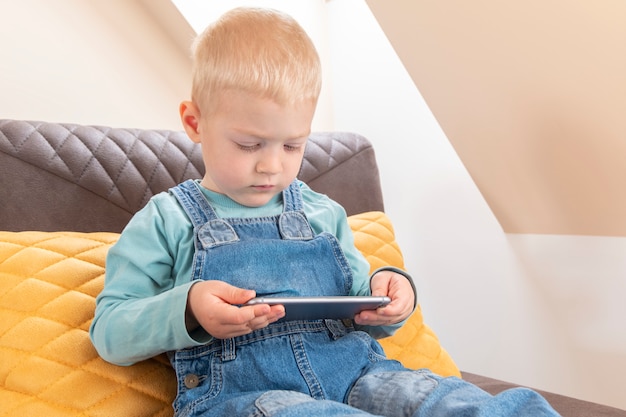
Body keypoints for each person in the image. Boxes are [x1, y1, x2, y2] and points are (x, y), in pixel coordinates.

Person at [90, 7, 561, 417]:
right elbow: (110, 329)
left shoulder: (321, 213)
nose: (272, 164)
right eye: (249, 144)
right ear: (195, 122)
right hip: (245, 399)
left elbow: (359, 300)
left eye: (293, 144)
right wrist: (188, 309)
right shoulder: (167, 218)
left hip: (358, 374)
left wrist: (390, 294)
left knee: (462, 402)